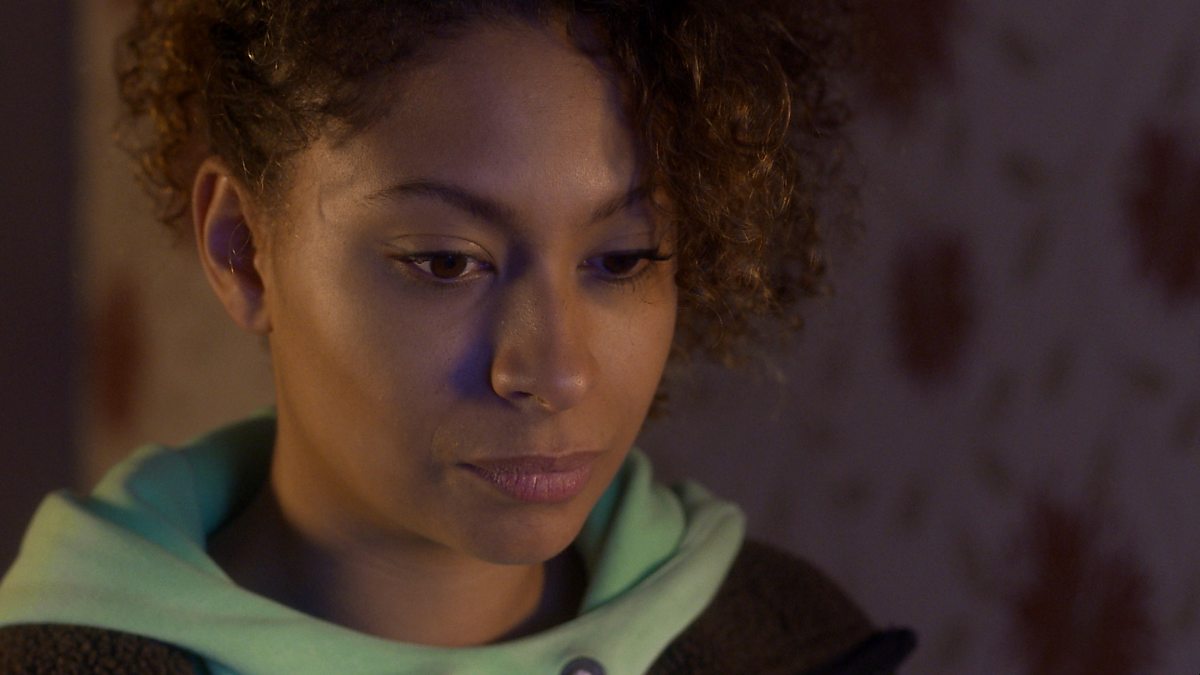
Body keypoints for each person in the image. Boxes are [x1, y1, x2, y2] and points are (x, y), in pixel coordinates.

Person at [0, 1, 914, 673]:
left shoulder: (787, 643)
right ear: (242, 249)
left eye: (623, 259)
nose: (553, 370)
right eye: (445, 261)